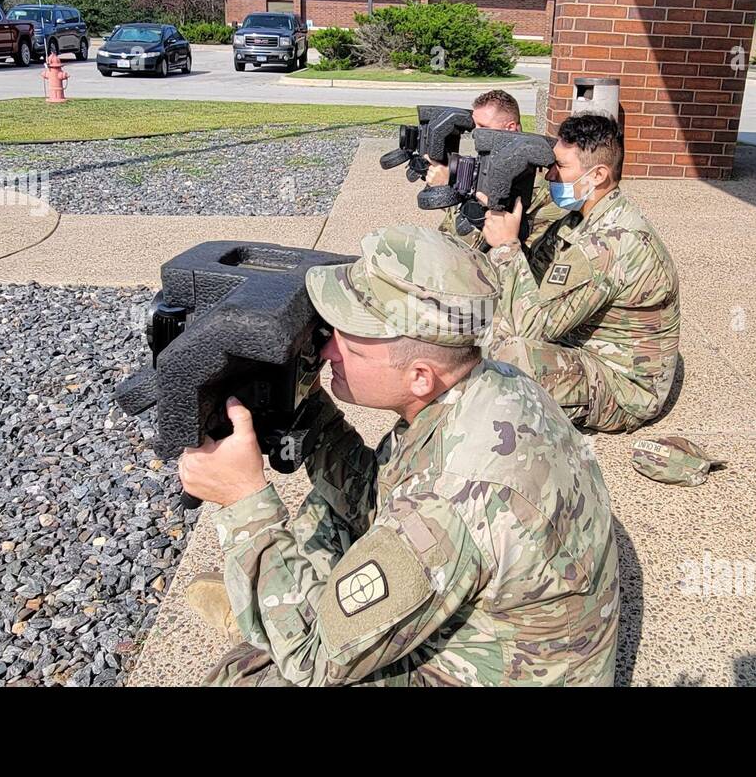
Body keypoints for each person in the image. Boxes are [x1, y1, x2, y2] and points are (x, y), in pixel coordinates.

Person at [178, 225, 619, 686]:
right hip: (513, 624)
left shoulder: (451, 499)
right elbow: (378, 490)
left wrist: (243, 503)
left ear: (420, 376)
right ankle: (273, 605)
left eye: (345, 343)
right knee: (326, 514)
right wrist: (302, 398)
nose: (327, 351)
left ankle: (271, 613)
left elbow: (312, 662)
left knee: (251, 678)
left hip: (499, 670)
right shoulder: (490, 379)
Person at [479, 113, 681, 433]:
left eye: (561, 166)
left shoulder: (610, 244)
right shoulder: (582, 216)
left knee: (506, 353)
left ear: (597, 174)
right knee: (478, 319)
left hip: (622, 389)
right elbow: (532, 277)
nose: (550, 177)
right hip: (577, 345)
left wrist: (507, 247)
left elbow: (533, 330)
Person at [426, 89, 566, 250]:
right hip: (452, 256)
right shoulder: (487, 161)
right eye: (475, 126)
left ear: (510, 128)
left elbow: (526, 250)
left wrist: (449, 186)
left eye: (483, 127)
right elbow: (456, 219)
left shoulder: (539, 181)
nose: (475, 133)